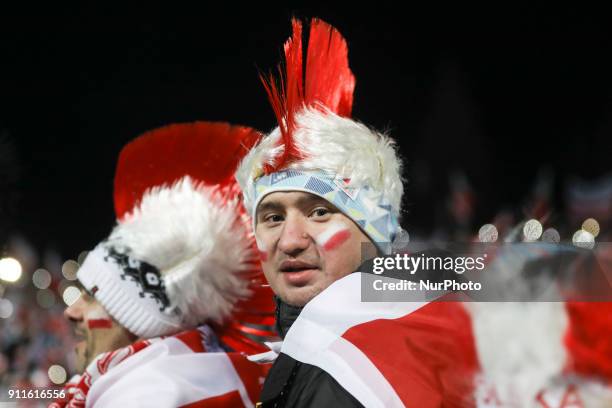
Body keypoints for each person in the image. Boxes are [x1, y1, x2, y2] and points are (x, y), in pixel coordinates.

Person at [52, 121, 276, 407]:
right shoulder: (169, 383)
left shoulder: (146, 398)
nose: (71, 311)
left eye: (92, 296)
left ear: (141, 320)